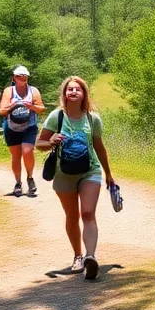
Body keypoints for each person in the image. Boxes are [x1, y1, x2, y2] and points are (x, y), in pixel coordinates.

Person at [36, 76, 115, 280]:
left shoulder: (92, 119)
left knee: (87, 213)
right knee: (72, 216)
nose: (73, 92)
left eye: (77, 89)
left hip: (90, 171)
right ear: (64, 94)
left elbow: (99, 146)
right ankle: (77, 256)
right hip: (64, 174)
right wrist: (51, 140)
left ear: (83, 94)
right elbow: (40, 143)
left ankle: (90, 257)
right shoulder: (56, 117)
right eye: (69, 89)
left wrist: (108, 174)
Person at [0, 65, 45, 197]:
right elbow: (1, 110)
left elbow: (41, 109)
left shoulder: (33, 91)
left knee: (27, 151)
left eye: (24, 76)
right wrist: (12, 106)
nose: (22, 78)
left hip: (29, 126)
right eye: (19, 76)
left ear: (27, 77)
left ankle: (30, 178)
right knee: (16, 156)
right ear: (14, 77)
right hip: (11, 127)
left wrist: (31, 106)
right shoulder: (9, 91)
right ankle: (18, 183)